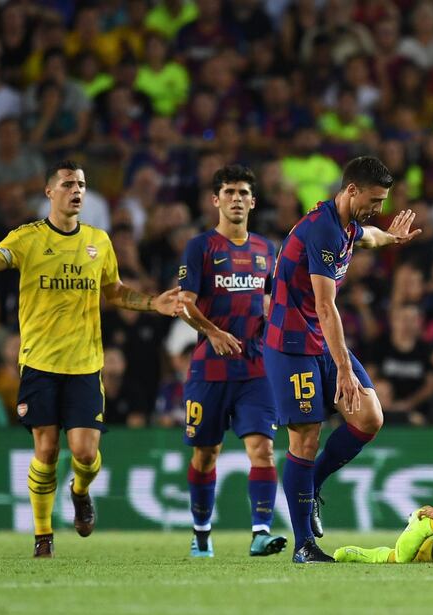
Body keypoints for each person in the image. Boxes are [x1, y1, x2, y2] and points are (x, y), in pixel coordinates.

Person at [0, 160, 183, 557]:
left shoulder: (99, 241)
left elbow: (115, 292)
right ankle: (43, 536)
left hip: (86, 365)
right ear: (49, 192)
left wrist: (153, 302)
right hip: (39, 363)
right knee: (47, 450)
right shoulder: (27, 239)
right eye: (69, 183)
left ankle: (80, 491)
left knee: (86, 454)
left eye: (82, 184)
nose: (77, 190)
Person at [263, 156, 420, 563]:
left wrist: (391, 238)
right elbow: (325, 305)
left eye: (383, 201)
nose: (379, 208)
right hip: (292, 345)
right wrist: (345, 371)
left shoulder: (345, 225)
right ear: (351, 190)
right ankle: (303, 546)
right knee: (306, 437)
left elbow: (367, 235)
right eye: (374, 199)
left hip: (319, 340)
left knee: (369, 417)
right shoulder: (322, 232)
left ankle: (311, 485)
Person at [177, 164, 286, 558]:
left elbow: (274, 302)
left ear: (253, 202)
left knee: (263, 449)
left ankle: (260, 532)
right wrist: (213, 331)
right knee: (206, 456)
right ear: (215, 200)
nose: (236, 199)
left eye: (243, 193)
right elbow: (183, 304)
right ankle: (202, 532)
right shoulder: (201, 247)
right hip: (210, 368)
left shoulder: (265, 250)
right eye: (229, 192)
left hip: (256, 369)